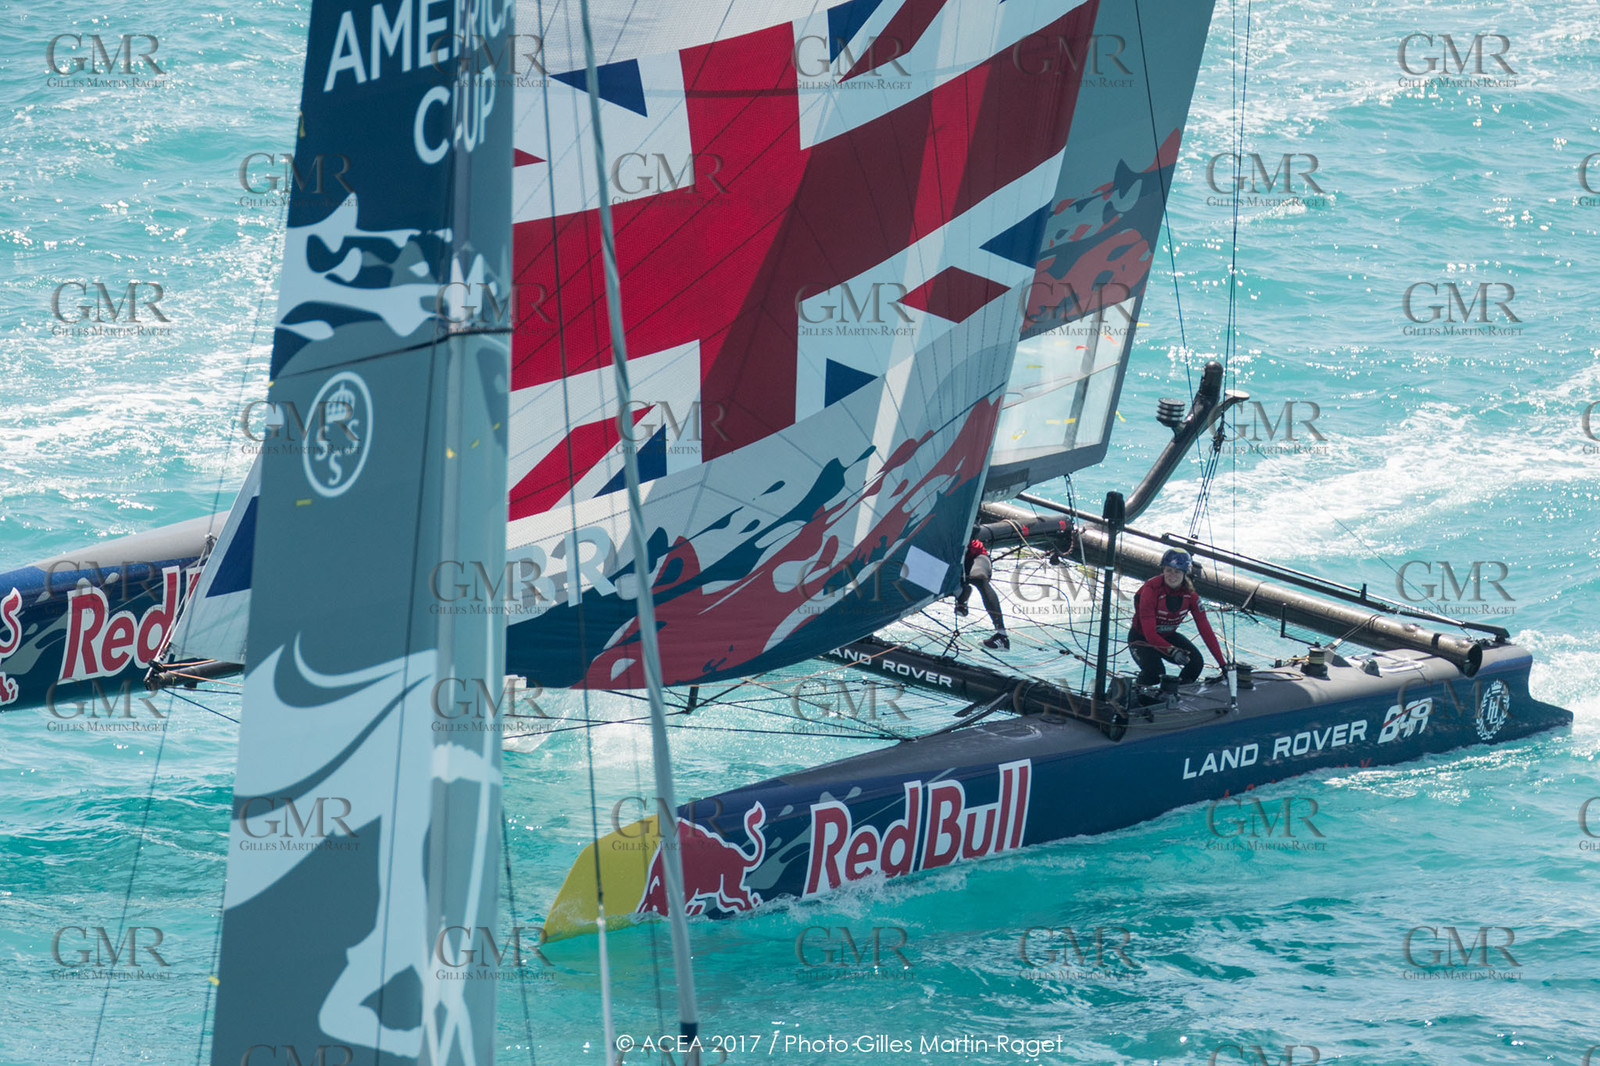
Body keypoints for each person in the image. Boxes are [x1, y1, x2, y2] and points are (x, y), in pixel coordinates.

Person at [1128, 549, 1226, 689]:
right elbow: (1150, 634)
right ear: (1163, 570)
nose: (1172, 575)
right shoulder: (1150, 590)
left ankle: (1176, 693)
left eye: (1177, 571)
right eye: (1169, 570)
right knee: (1155, 673)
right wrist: (1172, 651)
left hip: (1167, 637)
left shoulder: (1191, 596)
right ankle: (1133, 695)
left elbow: (1206, 630)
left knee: (1196, 663)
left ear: (1185, 573)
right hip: (1141, 639)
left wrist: (1223, 664)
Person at [955, 531, 1008, 650]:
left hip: (975, 557)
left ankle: (1001, 636)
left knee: (978, 578)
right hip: (950, 560)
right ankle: (962, 593)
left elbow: (975, 528)